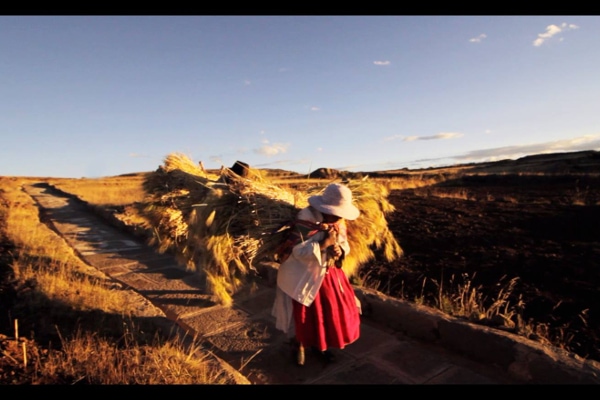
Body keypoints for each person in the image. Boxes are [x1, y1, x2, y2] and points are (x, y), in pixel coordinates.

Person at [271, 182, 362, 366]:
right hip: (303, 275)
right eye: (335, 212)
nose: (338, 217)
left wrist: (339, 250)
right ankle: (300, 344)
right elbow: (295, 251)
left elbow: (344, 242)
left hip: (329, 274)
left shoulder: (337, 221)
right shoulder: (305, 220)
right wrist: (323, 245)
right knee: (305, 315)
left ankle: (322, 345)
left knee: (331, 312)